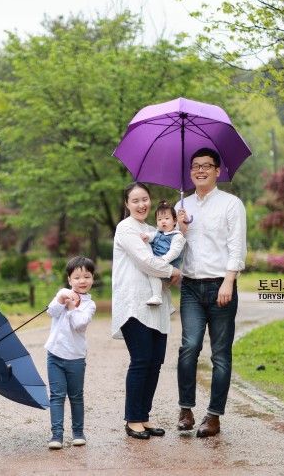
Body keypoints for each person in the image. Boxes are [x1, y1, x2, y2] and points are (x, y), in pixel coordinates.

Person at [176, 147, 247, 438]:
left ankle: (214, 415)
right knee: (189, 347)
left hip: (221, 285)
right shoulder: (183, 206)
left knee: (220, 354)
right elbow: (173, 247)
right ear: (190, 171)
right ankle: (185, 409)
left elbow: (237, 247)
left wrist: (229, 281)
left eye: (207, 165)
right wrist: (178, 230)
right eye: (195, 166)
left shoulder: (231, 204)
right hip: (191, 286)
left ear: (218, 171)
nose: (200, 170)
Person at [112, 182, 181, 440]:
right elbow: (146, 261)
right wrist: (173, 272)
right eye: (135, 200)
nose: (141, 205)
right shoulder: (126, 228)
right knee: (141, 361)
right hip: (135, 304)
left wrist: (180, 228)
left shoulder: (154, 230)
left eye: (145, 199)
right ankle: (132, 420)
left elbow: (169, 253)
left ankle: (144, 416)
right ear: (127, 204)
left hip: (157, 305)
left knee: (155, 363)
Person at [44, 256, 97, 450]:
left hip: (75, 358)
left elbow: (79, 324)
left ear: (92, 279)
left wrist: (73, 307)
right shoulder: (63, 293)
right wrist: (61, 300)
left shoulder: (89, 305)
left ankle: (78, 433)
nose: (82, 281)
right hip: (55, 355)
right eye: (77, 277)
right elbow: (51, 312)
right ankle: (56, 434)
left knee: (76, 396)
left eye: (87, 276)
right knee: (57, 396)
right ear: (69, 280)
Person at [140, 200, 186, 306]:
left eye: (166, 218)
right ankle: (167, 304)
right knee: (157, 280)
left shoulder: (177, 236)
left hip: (169, 264)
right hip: (158, 261)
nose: (163, 221)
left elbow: (174, 251)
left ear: (175, 221)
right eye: (159, 219)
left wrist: (164, 259)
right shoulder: (158, 232)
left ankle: (157, 296)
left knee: (153, 274)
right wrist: (147, 236)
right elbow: (152, 236)